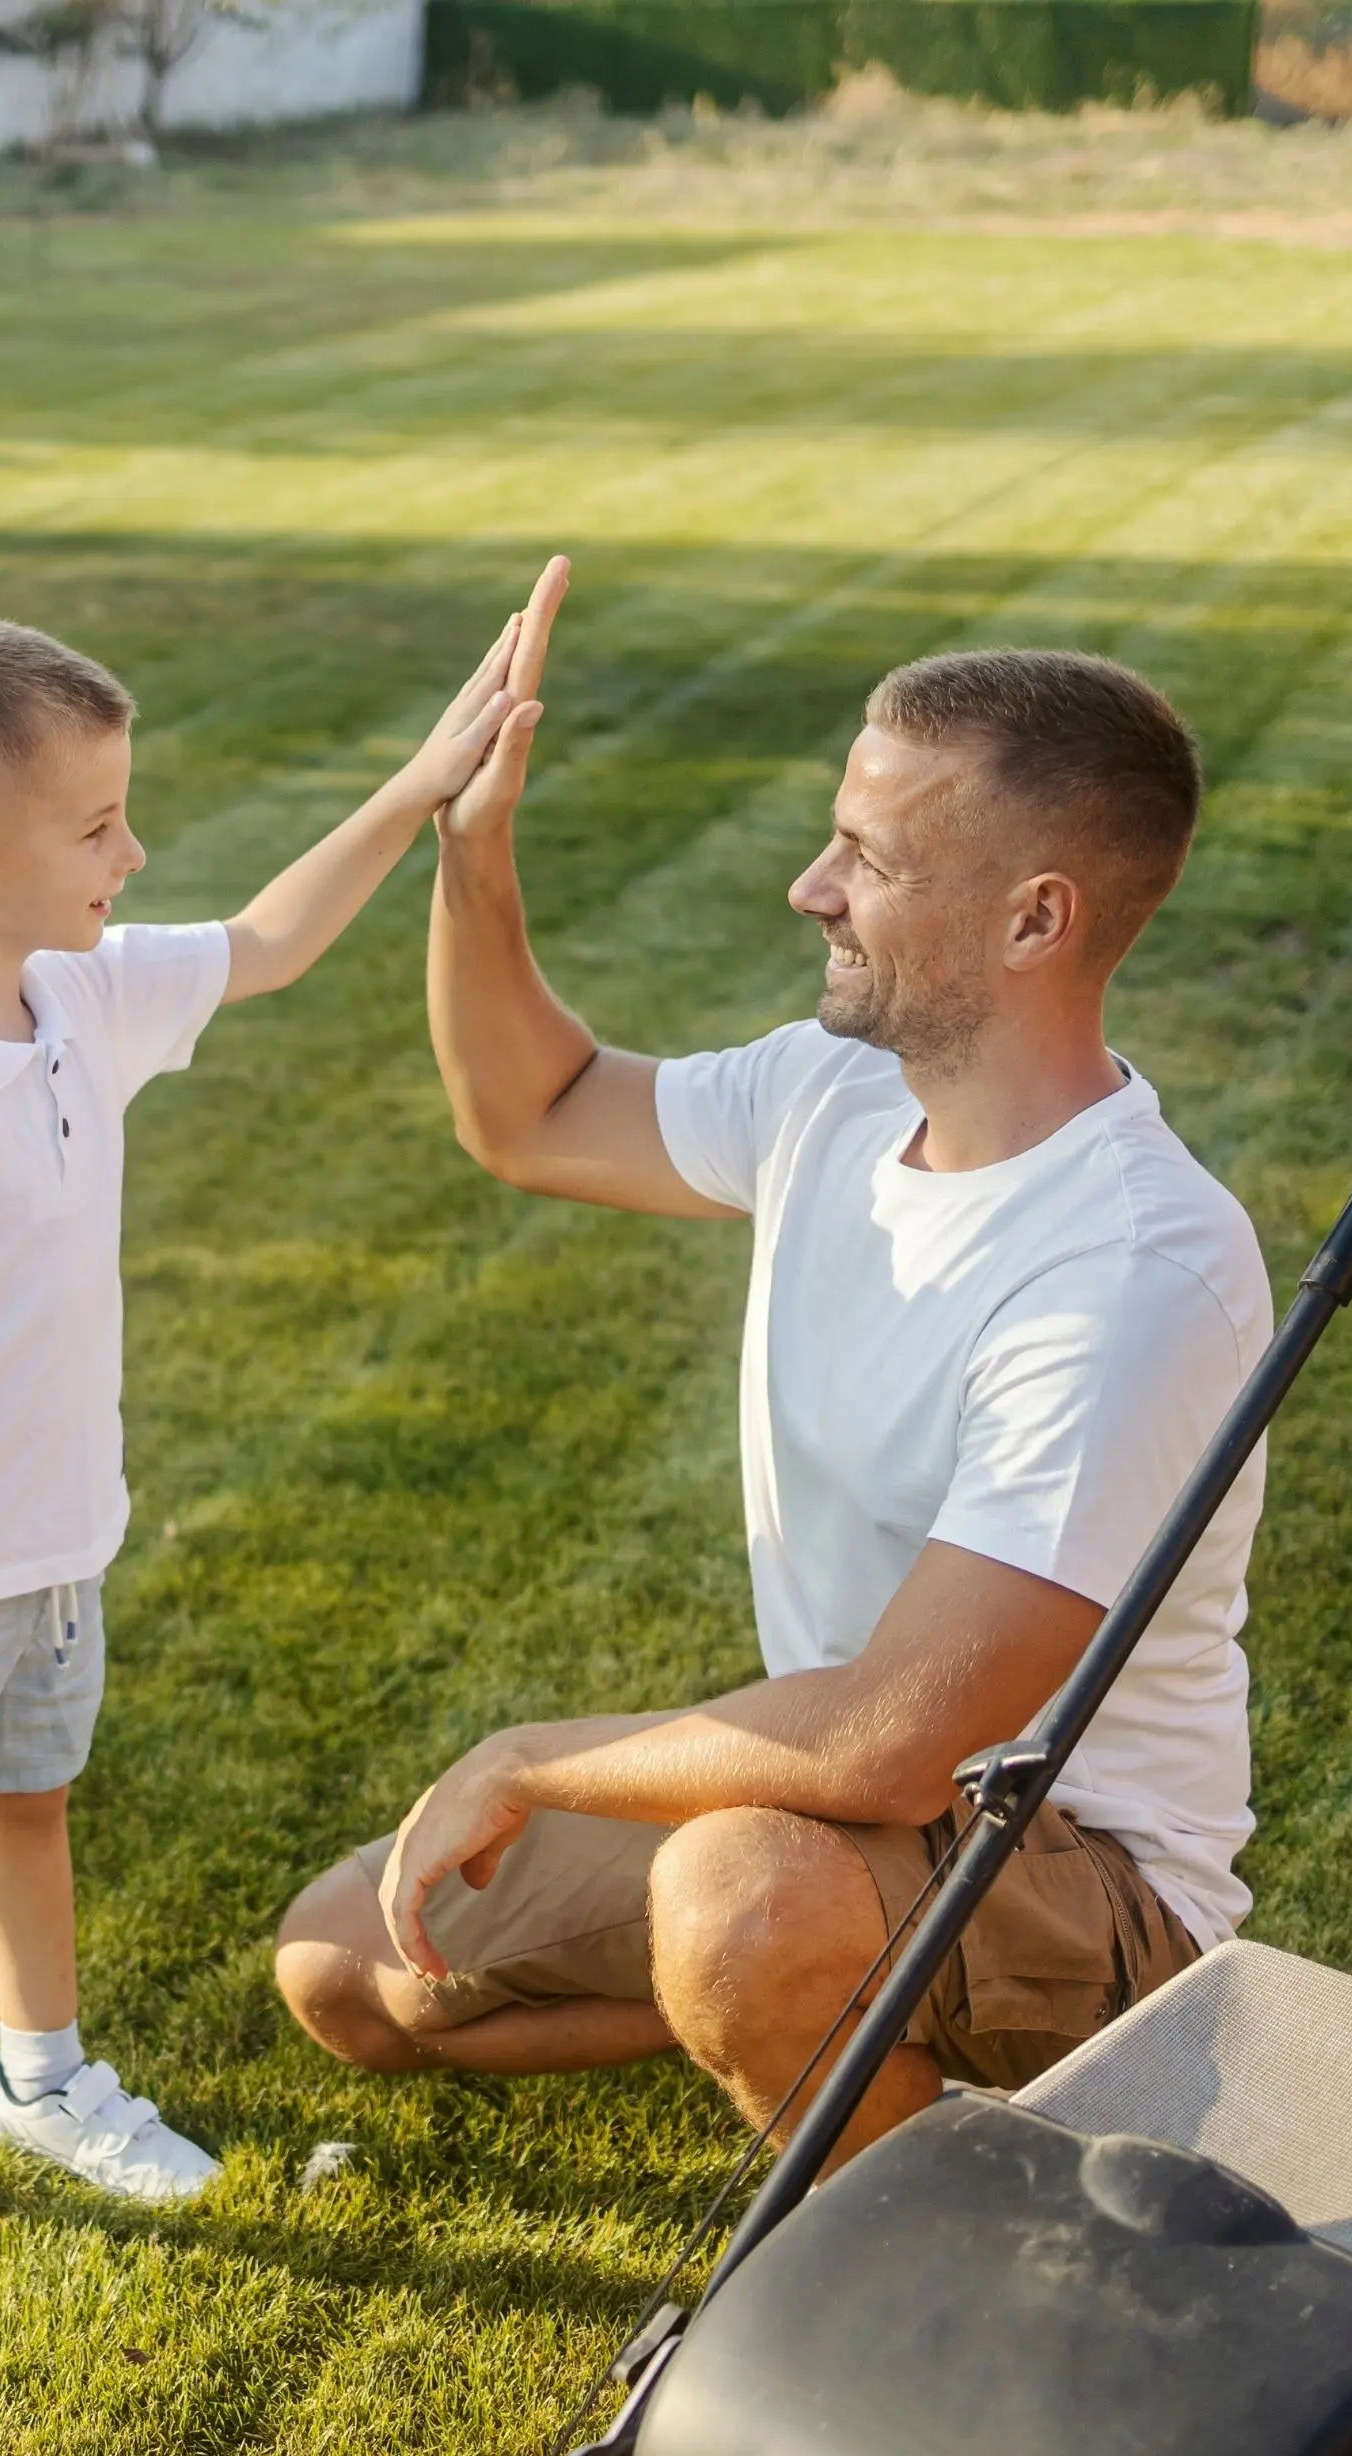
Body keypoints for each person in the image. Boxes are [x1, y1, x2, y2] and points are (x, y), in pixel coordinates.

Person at [275, 573, 1275, 2171]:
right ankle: (845, 2028)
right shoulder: (833, 1088)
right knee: (350, 1966)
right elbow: (530, 1113)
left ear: (1033, 918)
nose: (811, 886)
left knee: (735, 1892)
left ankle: (912, 2258)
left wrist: (532, 1758)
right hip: (841, 1823)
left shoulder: (1133, 1270)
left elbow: (891, 1736)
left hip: (1087, 1889)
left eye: (868, 859)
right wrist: (474, 851)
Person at [0, 596, 545, 2283]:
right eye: (97, 826)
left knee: (27, 1811)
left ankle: (42, 2079)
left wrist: (419, 782)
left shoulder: (75, 999)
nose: (134, 850)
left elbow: (262, 940)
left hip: (51, 1554)